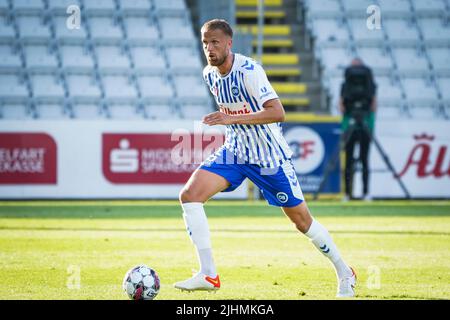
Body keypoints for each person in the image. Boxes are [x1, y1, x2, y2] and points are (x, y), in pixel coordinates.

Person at [173, 19, 356, 297]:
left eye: (215, 42)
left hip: (269, 157)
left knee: (302, 222)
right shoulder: (209, 74)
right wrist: (230, 123)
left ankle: (344, 271)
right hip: (235, 151)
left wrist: (230, 118)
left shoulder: (249, 70)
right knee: (190, 195)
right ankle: (208, 274)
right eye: (205, 43)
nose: (209, 49)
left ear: (229, 43)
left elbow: (277, 112)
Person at [339, 58, 377, 202]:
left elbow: (373, 106)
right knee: (349, 161)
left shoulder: (370, 85)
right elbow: (342, 106)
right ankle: (348, 193)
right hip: (350, 125)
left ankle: (365, 192)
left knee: (364, 160)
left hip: (363, 124)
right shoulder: (346, 85)